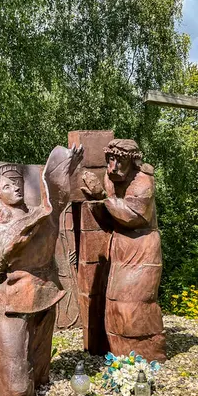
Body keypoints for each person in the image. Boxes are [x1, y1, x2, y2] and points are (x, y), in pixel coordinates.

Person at [0, 145, 83, 396]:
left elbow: (57, 198)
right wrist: (17, 236)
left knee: (39, 378)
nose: (16, 188)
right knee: (18, 393)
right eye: (6, 187)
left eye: (15, 184)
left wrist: (64, 171)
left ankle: (3, 358)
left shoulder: (39, 215)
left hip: (44, 296)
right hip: (10, 305)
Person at [81, 139, 166, 361]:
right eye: (110, 160)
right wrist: (94, 200)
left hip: (143, 249)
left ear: (133, 162)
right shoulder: (111, 179)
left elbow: (133, 217)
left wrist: (103, 198)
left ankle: (146, 355)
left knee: (134, 305)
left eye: (119, 161)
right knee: (115, 304)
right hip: (121, 250)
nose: (113, 167)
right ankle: (121, 357)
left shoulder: (143, 181)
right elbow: (108, 221)